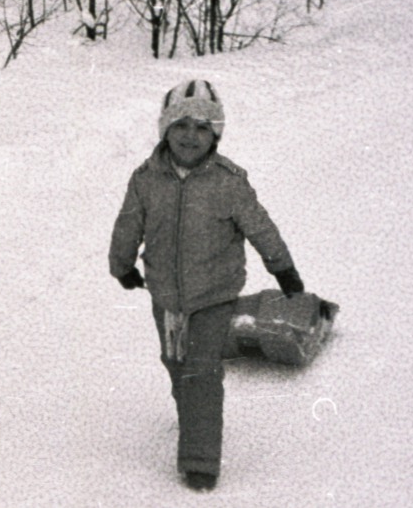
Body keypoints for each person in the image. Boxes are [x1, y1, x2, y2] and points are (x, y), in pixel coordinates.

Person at [109, 80, 303, 492]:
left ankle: (200, 460)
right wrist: (121, 264)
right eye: (181, 125)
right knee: (175, 361)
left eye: (202, 127)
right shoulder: (145, 179)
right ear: (165, 130)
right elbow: (128, 223)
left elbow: (261, 227)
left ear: (215, 134)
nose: (191, 137)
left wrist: (283, 268)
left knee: (202, 370)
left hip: (215, 295)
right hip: (165, 296)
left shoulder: (228, 181)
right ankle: (195, 417)